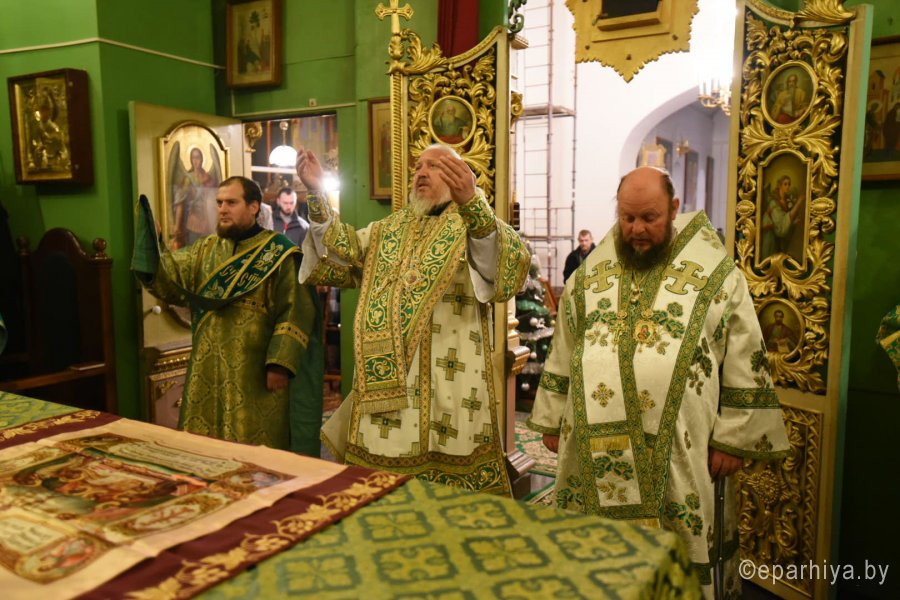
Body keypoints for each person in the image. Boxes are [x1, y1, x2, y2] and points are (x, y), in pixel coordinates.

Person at [527, 166, 790, 599]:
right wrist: (553, 417)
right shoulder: (590, 275)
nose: (637, 229)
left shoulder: (716, 274)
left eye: (649, 218)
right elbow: (564, 345)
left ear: (673, 209)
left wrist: (733, 437)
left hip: (680, 449)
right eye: (627, 217)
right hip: (589, 447)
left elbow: (745, 355)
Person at [296, 143, 530, 495]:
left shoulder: (474, 225)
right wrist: (317, 192)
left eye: (434, 166)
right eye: (418, 166)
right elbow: (340, 251)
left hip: (451, 373)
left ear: (457, 176)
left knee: (451, 492)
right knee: (379, 490)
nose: (421, 173)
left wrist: (472, 204)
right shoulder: (389, 229)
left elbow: (502, 270)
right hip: (389, 383)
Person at [133, 176, 318, 451]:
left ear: (254, 207)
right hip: (208, 365)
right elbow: (170, 278)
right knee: (206, 448)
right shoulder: (205, 249)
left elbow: (295, 310)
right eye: (219, 203)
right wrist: (153, 242)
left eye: (231, 202)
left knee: (255, 447)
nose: (222, 209)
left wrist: (279, 364)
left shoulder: (279, 253)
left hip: (255, 370)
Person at [172, 147, 220, 249]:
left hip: (208, 220)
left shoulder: (208, 178)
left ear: (202, 159)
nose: (195, 161)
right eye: (193, 158)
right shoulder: (188, 179)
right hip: (193, 220)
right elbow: (180, 200)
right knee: (193, 248)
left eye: (198, 158)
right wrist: (177, 225)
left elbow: (215, 199)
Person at [759, 175, 804, 261]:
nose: (788, 186)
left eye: (789, 184)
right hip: (770, 240)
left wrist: (793, 223)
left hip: (779, 240)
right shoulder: (774, 203)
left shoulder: (787, 201)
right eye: (785, 184)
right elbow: (781, 227)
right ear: (780, 185)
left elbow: (784, 222)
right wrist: (798, 203)